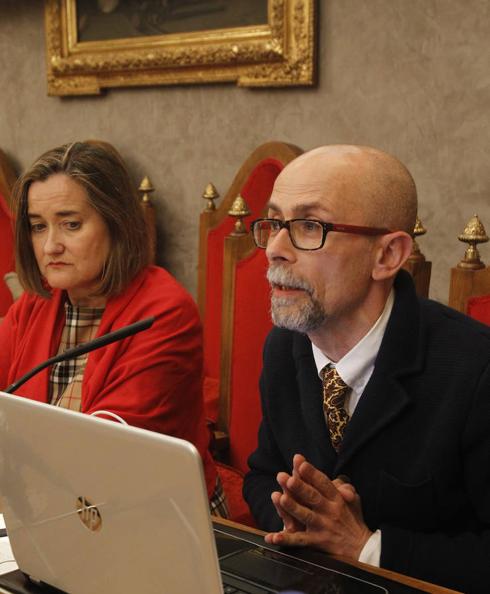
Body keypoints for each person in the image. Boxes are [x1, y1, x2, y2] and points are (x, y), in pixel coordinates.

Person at [243, 145, 490, 593]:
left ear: (388, 256)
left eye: (309, 226)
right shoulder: (284, 345)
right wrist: (294, 519)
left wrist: (366, 547)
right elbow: (262, 473)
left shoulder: (477, 372)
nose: (274, 251)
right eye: (274, 224)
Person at [0, 140, 226, 516]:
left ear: (115, 223)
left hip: (153, 518)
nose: (50, 245)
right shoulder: (39, 302)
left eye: (70, 224)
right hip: (57, 509)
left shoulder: (165, 312)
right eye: (38, 227)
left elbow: (100, 453)